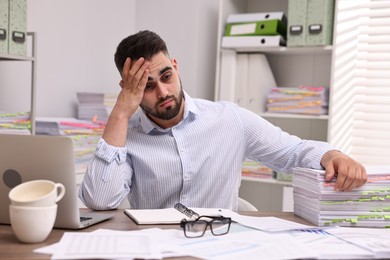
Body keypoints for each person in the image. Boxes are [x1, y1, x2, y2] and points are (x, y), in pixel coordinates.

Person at [79, 30, 367, 211]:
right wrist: (120, 112)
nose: (163, 92)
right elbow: (100, 201)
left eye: (166, 77)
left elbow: (291, 152)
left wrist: (332, 154)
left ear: (176, 67)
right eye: (147, 86)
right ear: (129, 89)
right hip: (158, 252)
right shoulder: (123, 136)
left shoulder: (229, 118)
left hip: (222, 249)